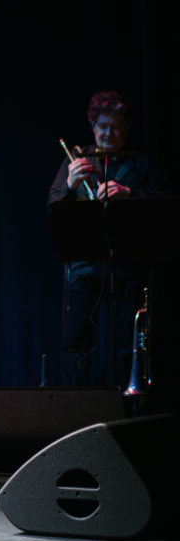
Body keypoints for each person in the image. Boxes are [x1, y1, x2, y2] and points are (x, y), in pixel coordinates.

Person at [48, 90, 165, 387]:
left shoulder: (143, 163)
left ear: (126, 129)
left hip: (127, 267)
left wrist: (130, 194)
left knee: (125, 344)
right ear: (92, 126)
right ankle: (79, 408)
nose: (108, 133)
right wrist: (70, 185)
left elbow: (163, 209)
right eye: (103, 126)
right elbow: (52, 207)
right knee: (77, 344)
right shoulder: (77, 160)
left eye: (116, 127)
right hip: (82, 267)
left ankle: (125, 404)